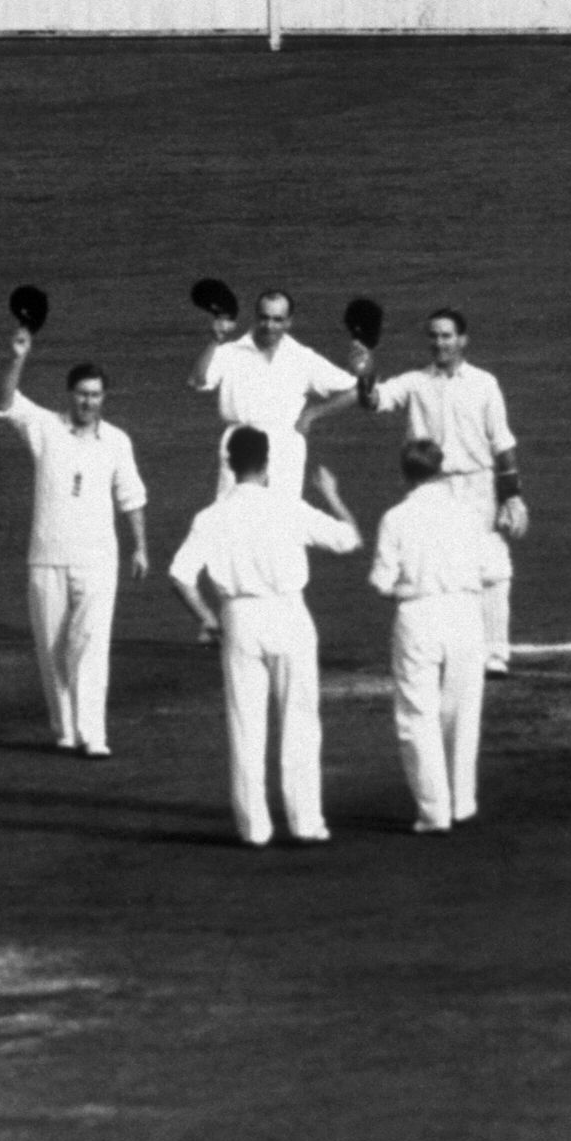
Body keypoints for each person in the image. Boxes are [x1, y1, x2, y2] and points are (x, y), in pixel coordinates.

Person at [166, 428, 362, 847]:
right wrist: (332, 494)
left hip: (238, 618)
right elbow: (349, 540)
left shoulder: (212, 516)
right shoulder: (288, 506)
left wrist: (207, 619)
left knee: (245, 726)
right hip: (289, 613)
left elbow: (180, 576)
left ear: (229, 465)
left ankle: (254, 829)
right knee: (301, 723)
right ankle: (306, 822)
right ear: (268, 463)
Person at [329, 308, 528, 676]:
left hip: (477, 486)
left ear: (463, 339)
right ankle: (447, 648)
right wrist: (365, 372)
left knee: (493, 568)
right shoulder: (414, 382)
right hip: (431, 485)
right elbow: (375, 401)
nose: (440, 343)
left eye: (447, 335)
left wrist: (512, 495)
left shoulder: (485, 383)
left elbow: (502, 443)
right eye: (434, 336)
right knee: (437, 565)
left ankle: (496, 653)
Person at [0, 321, 150, 757]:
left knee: (91, 644)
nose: (89, 401)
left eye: (96, 395)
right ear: (70, 395)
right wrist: (19, 356)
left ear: (104, 398)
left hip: (99, 560)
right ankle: (66, 731)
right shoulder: (44, 427)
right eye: (82, 394)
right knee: (52, 649)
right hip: (46, 558)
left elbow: (131, 496)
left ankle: (94, 735)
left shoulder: (117, 441)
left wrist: (140, 546)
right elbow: (5, 405)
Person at [367, 440, 489, 832]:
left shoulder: (396, 518)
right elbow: (489, 570)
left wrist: (400, 584)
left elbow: (381, 582)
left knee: (417, 716)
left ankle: (434, 812)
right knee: (463, 711)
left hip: (418, 614)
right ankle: (462, 803)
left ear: (405, 474)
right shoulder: (469, 514)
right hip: (466, 612)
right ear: (441, 470)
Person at [189, 288, 357, 500]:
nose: (269, 325)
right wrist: (215, 339)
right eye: (264, 318)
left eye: (278, 320)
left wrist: (312, 414)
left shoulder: (302, 357)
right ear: (256, 316)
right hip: (240, 444)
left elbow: (353, 390)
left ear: (289, 322)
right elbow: (197, 381)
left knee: (283, 521)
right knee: (233, 518)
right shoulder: (230, 352)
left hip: (285, 447)